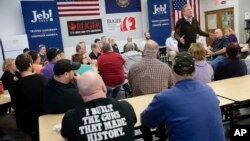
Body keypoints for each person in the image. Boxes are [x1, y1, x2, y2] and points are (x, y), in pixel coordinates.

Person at [141, 52, 226, 141]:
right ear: (194, 71)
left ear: (172, 70)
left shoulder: (164, 98)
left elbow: (147, 121)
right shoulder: (209, 90)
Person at [61, 71, 137, 141]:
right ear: (104, 88)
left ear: (80, 93)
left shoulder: (70, 117)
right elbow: (132, 124)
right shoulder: (126, 107)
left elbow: (66, 136)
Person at [128, 40, 174, 141]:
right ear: (157, 52)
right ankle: (161, 132)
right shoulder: (166, 67)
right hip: (161, 106)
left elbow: (131, 86)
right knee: (165, 102)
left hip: (139, 107)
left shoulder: (133, 68)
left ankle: (146, 134)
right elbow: (172, 86)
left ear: (143, 51)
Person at [8, 54, 47, 140]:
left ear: (18, 67)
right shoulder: (43, 79)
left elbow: (14, 106)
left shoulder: (13, 86)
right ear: (30, 64)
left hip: (25, 123)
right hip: (43, 119)